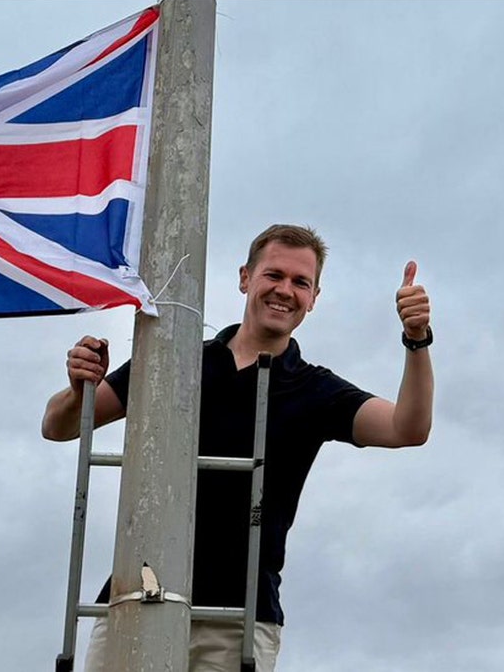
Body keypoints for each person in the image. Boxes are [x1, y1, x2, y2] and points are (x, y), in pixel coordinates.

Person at [42, 224, 434, 671]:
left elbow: (408, 427)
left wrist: (416, 338)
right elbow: (58, 425)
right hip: (138, 597)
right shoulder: (174, 358)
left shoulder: (315, 389)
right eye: (274, 275)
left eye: (300, 282)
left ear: (314, 298)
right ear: (245, 278)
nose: (285, 290)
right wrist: (79, 388)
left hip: (239, 620)